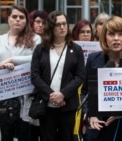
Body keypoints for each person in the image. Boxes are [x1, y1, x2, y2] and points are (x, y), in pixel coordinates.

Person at [0, 5, 41, 141]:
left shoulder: (35, 39)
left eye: (21, 17)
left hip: (25, 98)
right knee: (6, 136)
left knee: (25, 135)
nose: (18, 20)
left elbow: (38, 60)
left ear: (26, 20)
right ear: (8, 19)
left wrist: (13, 60)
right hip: (3, 97)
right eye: (14, 17)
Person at [81, 16, 122, 141]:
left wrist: (121, 114)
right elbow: (85, 92)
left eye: (120, 34)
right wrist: (90, 115)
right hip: (99, 128)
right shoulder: (93, 59)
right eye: (111, 34)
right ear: (104, 37)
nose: (116, 38)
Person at [30, 10, 85, 141]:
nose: (62, 27)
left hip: (68, 105)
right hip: (46, 106)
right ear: (50, 27)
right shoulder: (40, 49)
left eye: (64, 24)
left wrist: (63, 94)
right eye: (58, 24)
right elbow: (35, 76)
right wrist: (51, 95)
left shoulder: (76, 49)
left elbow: (80, 76)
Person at [72, 18, 95, 141]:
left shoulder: (97, 51)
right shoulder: (70, 49)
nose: (86, 35)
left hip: (88, 96)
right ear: (76, 34)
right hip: (73, 94)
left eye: (88, 32)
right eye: (82, 32)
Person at [28, 9, 47, 141]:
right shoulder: (26, 39)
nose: (40, 25)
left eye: (43, 22)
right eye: (37, 22)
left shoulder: (48, 40)